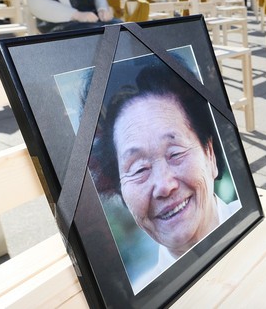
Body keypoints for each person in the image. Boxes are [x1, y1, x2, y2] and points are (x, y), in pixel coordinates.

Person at [95, 61, 240, 289]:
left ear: (210, 155)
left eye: (175, 153)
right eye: (139, 169)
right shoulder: (145, 294)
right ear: (122, 193)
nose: (164, 185)